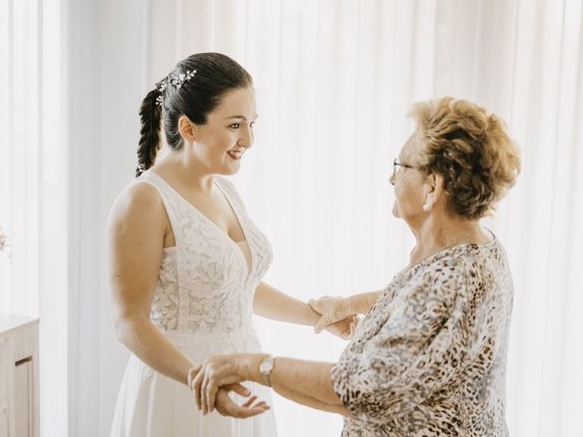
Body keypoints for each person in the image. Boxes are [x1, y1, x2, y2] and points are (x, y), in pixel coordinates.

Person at [188, 96, 521, 437]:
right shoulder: (476, 249)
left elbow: (358, 391)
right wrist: (350, 307)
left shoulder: (450, 279)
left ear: (432, 187)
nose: (391, 179)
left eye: (400, 166)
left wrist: (253, 365)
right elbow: (424, 312)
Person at [107, 52, 355, 437]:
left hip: (243, 373)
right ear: (189, 129)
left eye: (252, 124)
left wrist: (316, 315)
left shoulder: (224, 188)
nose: (249, 140)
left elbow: (235, 289)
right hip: (183, 386)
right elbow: (130, 323)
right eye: (235, 125)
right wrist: (201, 380)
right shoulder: (144, 201)